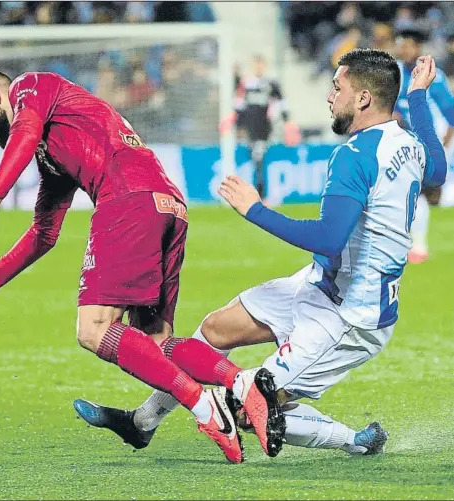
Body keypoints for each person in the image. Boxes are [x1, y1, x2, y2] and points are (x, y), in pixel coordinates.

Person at [75, 50, 447, 456]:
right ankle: (142, 422)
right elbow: (439, 172)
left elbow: (328, 238)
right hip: (319, 285)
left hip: (351, 317)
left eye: (337, 88)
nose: (329, 97)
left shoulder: (354, 157)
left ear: (362, 99)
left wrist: (254, 210)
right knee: (216, 329)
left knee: (246, 407)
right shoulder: (407, 142)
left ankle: (356, 442)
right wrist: (419, 97)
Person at [0, 66, 287, 464]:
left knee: (94, 330)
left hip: (126, 199)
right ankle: (243, 383)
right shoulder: (54, 148)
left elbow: (24, 132)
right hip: (167, 204)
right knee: (153, 345)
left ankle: (207, 408)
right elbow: (44, 234)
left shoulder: (30, 86)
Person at [394, 28, 454, 263]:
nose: (404, 50)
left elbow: (450, 113)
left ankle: (416, 245)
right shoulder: (395, 74)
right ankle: (416, 246)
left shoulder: (432, 75)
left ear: (417, 48)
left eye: (408, 45)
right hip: (407, 143)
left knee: (422, 193)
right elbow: (393, 107)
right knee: (413, 192)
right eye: (401, 45)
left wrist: (444, 145)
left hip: (431, 142)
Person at [235, 55, 288, 197]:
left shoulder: (270, 84)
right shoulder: (245, 84)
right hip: (248, 127)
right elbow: (238, 105)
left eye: (261, 65)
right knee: (252, 159)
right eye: (256, 65)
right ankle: (254, 192)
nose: (259, 68)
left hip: (263, 127)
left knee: (259, 159)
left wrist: (286, 120)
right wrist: (238, 125)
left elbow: (281, 102)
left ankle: (260, 194)